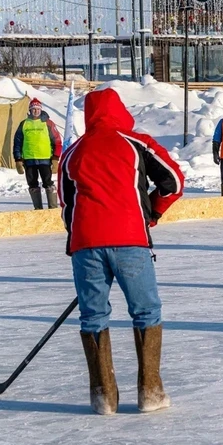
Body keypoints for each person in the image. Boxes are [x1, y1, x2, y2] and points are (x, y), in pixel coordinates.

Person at [59, 88, 185, 415]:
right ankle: (151, 393)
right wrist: (152, 213)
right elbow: (173, 182)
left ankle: (103, 398)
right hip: (130, 241)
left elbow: (66, 205)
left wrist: (84, 238)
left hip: (86, 244)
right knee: (146, 311)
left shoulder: (73, 151)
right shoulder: (135, 142)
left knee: (93, 315)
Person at [13, 97, 62, 210]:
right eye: (33, 109)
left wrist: (55, 158)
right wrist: (18, 160)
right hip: (29, 160)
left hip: (45, 159)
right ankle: (38, 210)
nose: (36, 111)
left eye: (38, 109)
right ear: (30, 110)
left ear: (41, 110)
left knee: (48, 183)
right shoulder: (24, 124)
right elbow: (17, 143)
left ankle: (53, 208)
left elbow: (57, 141)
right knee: (32, 184)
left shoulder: (48, 123)